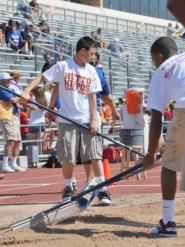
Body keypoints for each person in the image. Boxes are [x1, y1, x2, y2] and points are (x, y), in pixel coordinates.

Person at [20, 37, 111, 203]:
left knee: (94, 155)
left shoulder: (91, 71)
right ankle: (68, 188)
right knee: (68, 157)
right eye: (91, 54)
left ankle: (102, 189)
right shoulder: (63, 66)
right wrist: (26, 91)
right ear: (82, 51)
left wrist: (94, 120)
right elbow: (41, 79)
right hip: (67, 119)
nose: (93, 57)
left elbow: (93, 98)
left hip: (86, 119)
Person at [142, 37, 185, 237]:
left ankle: (167, 223)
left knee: (168, 165)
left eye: (154, 60)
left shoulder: (161, 71)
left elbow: (157, 118)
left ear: (159, 56)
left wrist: (151, 153)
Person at [82, 52, 121, 206]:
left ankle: (100, 187)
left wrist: (115, 112)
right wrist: (115, 112)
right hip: (81, 114)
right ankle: (93, 185)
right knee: (90, 152)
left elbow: (107, 96)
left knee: (90, 151)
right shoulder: (96, 72)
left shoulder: (97, 73)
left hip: (85, 114)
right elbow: (108, 97)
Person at [0, 73, 25, 173]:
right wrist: (21, 97)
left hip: (15, 115)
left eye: (9, 79)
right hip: (8, 115)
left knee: (17, 140)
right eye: (6, 79)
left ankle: (13, 163)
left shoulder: (9, 88)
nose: (8, 81)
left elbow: (15, 99)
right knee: (10, 140)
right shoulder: (2, 89)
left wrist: (18, 98)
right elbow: (12, 100)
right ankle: (5, 164)